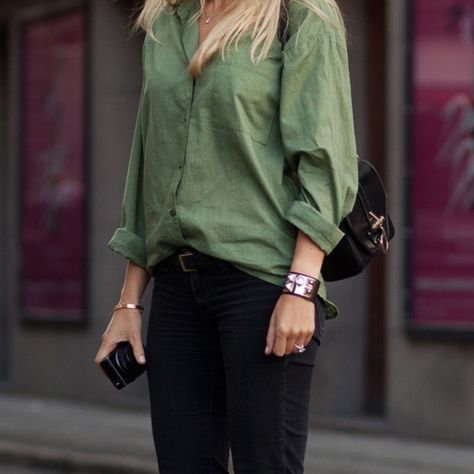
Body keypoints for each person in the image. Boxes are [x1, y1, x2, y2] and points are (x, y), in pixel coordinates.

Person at [95, 0, 358, 472]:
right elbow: (148, 165)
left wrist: (302, 286)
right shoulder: (168, 19)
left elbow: (324, 162)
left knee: (266, 464)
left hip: (264, 284)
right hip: (176, 288)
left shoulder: (299, 14)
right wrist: (128, 303)